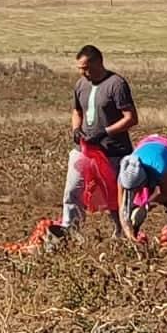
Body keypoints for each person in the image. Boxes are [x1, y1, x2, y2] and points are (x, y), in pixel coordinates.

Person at [57, 44, 137, 238]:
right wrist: (76, 128)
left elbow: (131, 118)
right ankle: (69, 230)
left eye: (86, 68)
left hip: (113, 152)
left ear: (98, 62)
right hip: (84, 150)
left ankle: (123, 233)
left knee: (115, 197)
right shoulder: (80, 85)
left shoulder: (116, 84)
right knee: (72, 190)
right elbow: (76, 111)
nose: (83, 73)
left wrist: (105, 132)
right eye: (80, 69)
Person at [118, 133, 167, 246]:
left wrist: (146, 206)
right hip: (147, 144)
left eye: (136, 188)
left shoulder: (158, 168)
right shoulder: (124, 173)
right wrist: (130, 234)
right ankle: (136, 240)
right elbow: (122, 209)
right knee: (133, 208)